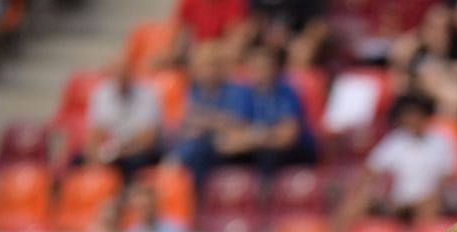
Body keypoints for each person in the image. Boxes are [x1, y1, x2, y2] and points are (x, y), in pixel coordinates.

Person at [336, 95, 457, 228]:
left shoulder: (441, 141)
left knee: (427, 208)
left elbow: (448, 177)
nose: (412, 119)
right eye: (408, 115)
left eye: (415, 114)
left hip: (429, 199)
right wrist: (365, 192)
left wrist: (433, 196)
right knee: (356, 203)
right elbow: (372, 169)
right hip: (397, 200)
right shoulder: (395, 140)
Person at [215, 46, 316, 178]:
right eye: (255, 68)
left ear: (275, 69)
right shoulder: (245, 94)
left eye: (265, 67)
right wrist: (259, 136)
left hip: (295, 151)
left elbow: (288, 137)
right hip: (258, 147)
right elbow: (229, 139)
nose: (261, 72)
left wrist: (255, 136)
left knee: (268, 155)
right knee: (223, 157)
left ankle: (266, 197)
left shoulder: (286, 93)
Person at [174, 43, 250, 188]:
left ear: (222, 67)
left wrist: (205, 120)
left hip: (231, 151)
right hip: (199, 149)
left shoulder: (238, 90)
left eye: (212, 65)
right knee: (191, 149)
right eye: (203, 66)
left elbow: (238, 123)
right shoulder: (191, 92)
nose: (208, 71)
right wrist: (215, 121)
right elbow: (184, 124)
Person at [84, 60, 163, 182]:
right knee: (80, 161)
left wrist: (122, 150)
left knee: (134, 164)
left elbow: (149, 138)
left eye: (124, 75)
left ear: (131, 75)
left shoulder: (148, 95)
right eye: (118, 75)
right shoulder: (101, 94)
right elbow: (95, 131)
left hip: (137, 151)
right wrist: (96, 153)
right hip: (111, 149)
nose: (121, 79)